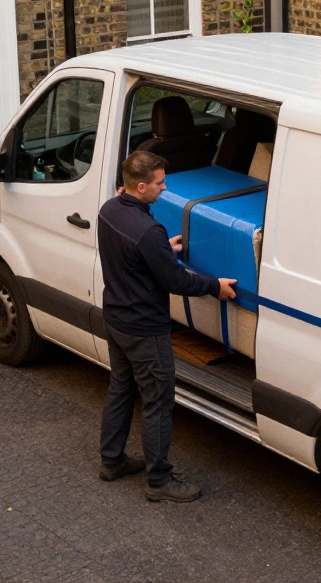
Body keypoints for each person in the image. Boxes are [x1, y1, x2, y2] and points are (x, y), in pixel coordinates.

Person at [95, 150, 237, 502]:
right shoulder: (148, 231)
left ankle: (111, 461)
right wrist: (214, 287)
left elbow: (140, 258)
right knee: (158, 402)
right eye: (159, 183)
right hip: (145, 330)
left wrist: (162, 250)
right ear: (141, 187)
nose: (165, 187)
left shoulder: (108, 211)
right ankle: (159, 481)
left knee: (121, 390)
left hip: (116, 319)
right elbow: (176, 281)